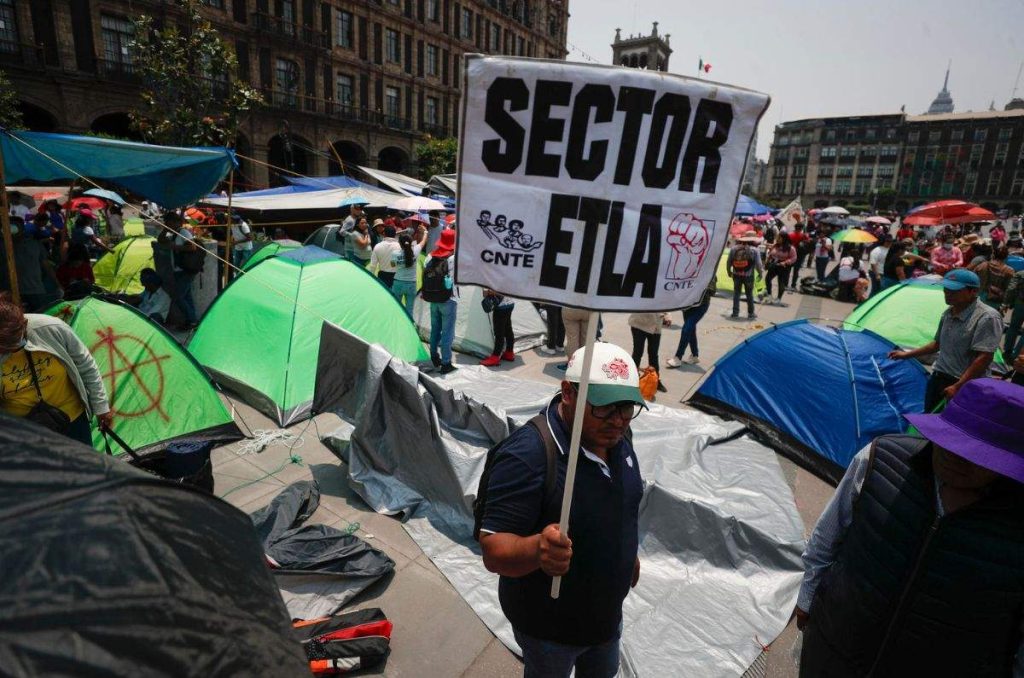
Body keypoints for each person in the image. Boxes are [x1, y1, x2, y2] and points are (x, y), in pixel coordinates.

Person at [795, 378, 1024, 677]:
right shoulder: (880, 458)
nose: (956, 457)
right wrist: (808, 598)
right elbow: (828, 535)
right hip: (834, 650)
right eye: (952, 441)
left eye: (976, 455)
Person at [478, 342, 644, 678]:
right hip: (550, 633)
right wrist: (537, 549)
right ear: (568, 392)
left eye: (627, 408)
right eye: (603, 407)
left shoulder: (619, 438)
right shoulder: (528, 456)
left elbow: (620, 504)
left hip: (606, 620)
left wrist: (627, 553)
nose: (617, 421)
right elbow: (494, 550)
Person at [0, 293, 112, 446]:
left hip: (72, 419)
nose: (12, 349)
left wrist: (101, 407)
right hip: (21, 434)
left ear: (24, 324)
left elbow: (86, 364)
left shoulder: (51, 327)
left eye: (16, 341)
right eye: (6, 346)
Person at [889, 269, 1003, 411]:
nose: (947, 293)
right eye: (946, 288)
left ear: (973, 292)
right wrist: (905, 354)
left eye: (954, 290)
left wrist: (958, 386)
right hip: (939, 377)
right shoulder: (948, 312)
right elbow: (937, 344)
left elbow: (984, 357)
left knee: (952, 427)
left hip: (964, 383)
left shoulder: (987, 317)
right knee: (928, 419)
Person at [4, 218, 62, 312]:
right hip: (10, 291)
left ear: (22, 228)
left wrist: (58, 284)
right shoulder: (3, 245)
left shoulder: (34, 244)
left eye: (15, 226)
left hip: (35, 290)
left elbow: (46, 265)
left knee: (40, 317)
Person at [421, 228, 457, 373]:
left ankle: (434, 355)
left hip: (432, 298)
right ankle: (446, 362)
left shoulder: (429, 257)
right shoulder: (453, 258)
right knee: (448, 332)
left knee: (435, 328)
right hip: (449, 299)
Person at [158, 212, 201, 329]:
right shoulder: (174, 233)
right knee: (186, 296)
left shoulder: (183, 232)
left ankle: (192, 320)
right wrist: (165, 229)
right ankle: (192, 321)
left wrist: (174, 247)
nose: (166, 223)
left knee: (179, 296)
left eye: (168, 222)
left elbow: (192, 247)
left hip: (185, 270)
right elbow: (160, 240)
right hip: (179, 270)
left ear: (175, 222)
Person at [667, 276, 714, 367]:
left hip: (701, 305)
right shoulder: (687, 269)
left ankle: (678, 357)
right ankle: (695, 355)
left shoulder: (708, 270)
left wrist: (700, 285)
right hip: (687, 305)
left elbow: (712, 291)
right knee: (690, 330)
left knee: (686, 329)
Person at [727, 231, 764, 320]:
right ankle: (751, 313)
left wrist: (728, 271)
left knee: (736, 293)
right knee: (749, 294)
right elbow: (758, 264)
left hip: (736, 274)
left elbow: (729, 261)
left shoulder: (734, 248)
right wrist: (760, 273)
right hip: (749, 275)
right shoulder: (755, 250)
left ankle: (735, 313)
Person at [627, 312, 666, 393]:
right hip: (639, 323)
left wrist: (667, 315)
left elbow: (666, 302)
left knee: (653, 354)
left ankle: (656, 380)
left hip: (656, 325)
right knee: (638, 352)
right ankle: (631, 379)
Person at [391, 229, 426, 318]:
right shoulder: (416, 250)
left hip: (398, 282)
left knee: (396, 307)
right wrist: (425, 232)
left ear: (400, 243)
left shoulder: (395, 253)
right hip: (411, 284)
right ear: (411, 242)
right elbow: (423, 241)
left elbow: (392, 265)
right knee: (409, 309)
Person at [481, 290, 516, 367]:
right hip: (510, 303)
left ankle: (495, 357)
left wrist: (489, 292)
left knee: (499, 332)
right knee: (508, 328)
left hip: (501, 306)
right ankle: (509, 352)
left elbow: (497, 290)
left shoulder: (498, 277)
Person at [764, 234, 797, 304]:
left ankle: (779, 298)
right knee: (767, 278)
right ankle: (769, 294)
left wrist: (785, 262)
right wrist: (767, 261)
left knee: (781, 282)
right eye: (777, 237)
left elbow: (794, 258)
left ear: (784, 239)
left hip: (783, 266)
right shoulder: (776, 245)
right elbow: (770, 254)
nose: (777, 239)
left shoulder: (790, 248)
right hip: (774, 264)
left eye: (779, 238)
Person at [1002, 266, 1024, 360]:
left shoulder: (1021, 273)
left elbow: (1011, 289)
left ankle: (1007, 351)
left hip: (1021, 303)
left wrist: (1007, 302)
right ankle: (1017, 355)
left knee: (1014, 327)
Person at [787, 222, 811, 289]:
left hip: (790, 254)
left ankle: (786, 284)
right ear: (801, 229)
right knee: (796, 271)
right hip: (800, 255)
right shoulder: (804, 235)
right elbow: (809, 242)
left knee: (788, 270)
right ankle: (793, 285)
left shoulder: (790, 235)